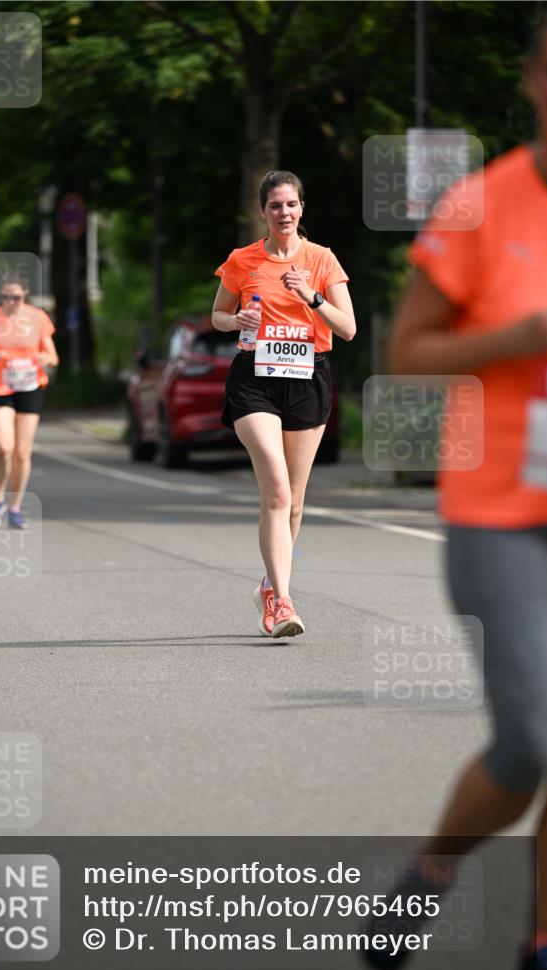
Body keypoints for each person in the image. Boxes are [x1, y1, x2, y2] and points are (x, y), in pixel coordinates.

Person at [363, 9, 547, 970]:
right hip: (501, 514)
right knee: (532, 738)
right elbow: (407, 353)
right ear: (532, 80)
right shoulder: (484, 207)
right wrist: (521, 333)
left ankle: (546, 942)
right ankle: (432, 868)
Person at [212, 170, 355, 638]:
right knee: (275, 488)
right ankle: (283, 604)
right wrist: (237, 319)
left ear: (301, 208)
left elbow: (348, 328)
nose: (284, 213)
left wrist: (309, 295)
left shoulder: (321, 260)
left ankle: (270, 587)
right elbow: (216, 315)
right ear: (263, 212)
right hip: (255, 377)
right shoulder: (243, 259)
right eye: (275, 205)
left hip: (308, 376)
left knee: (294, 502)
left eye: (291, 204)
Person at [0, 274, 58, 529]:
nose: (11, 302)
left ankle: (15, 507)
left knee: (22, 452)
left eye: (16, 297)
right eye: (6, 297)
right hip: (0, 386)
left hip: (30, 386)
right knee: (3, 446)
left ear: (25, 295)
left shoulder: (38, 318)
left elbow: (53, 357)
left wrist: (46, 359)